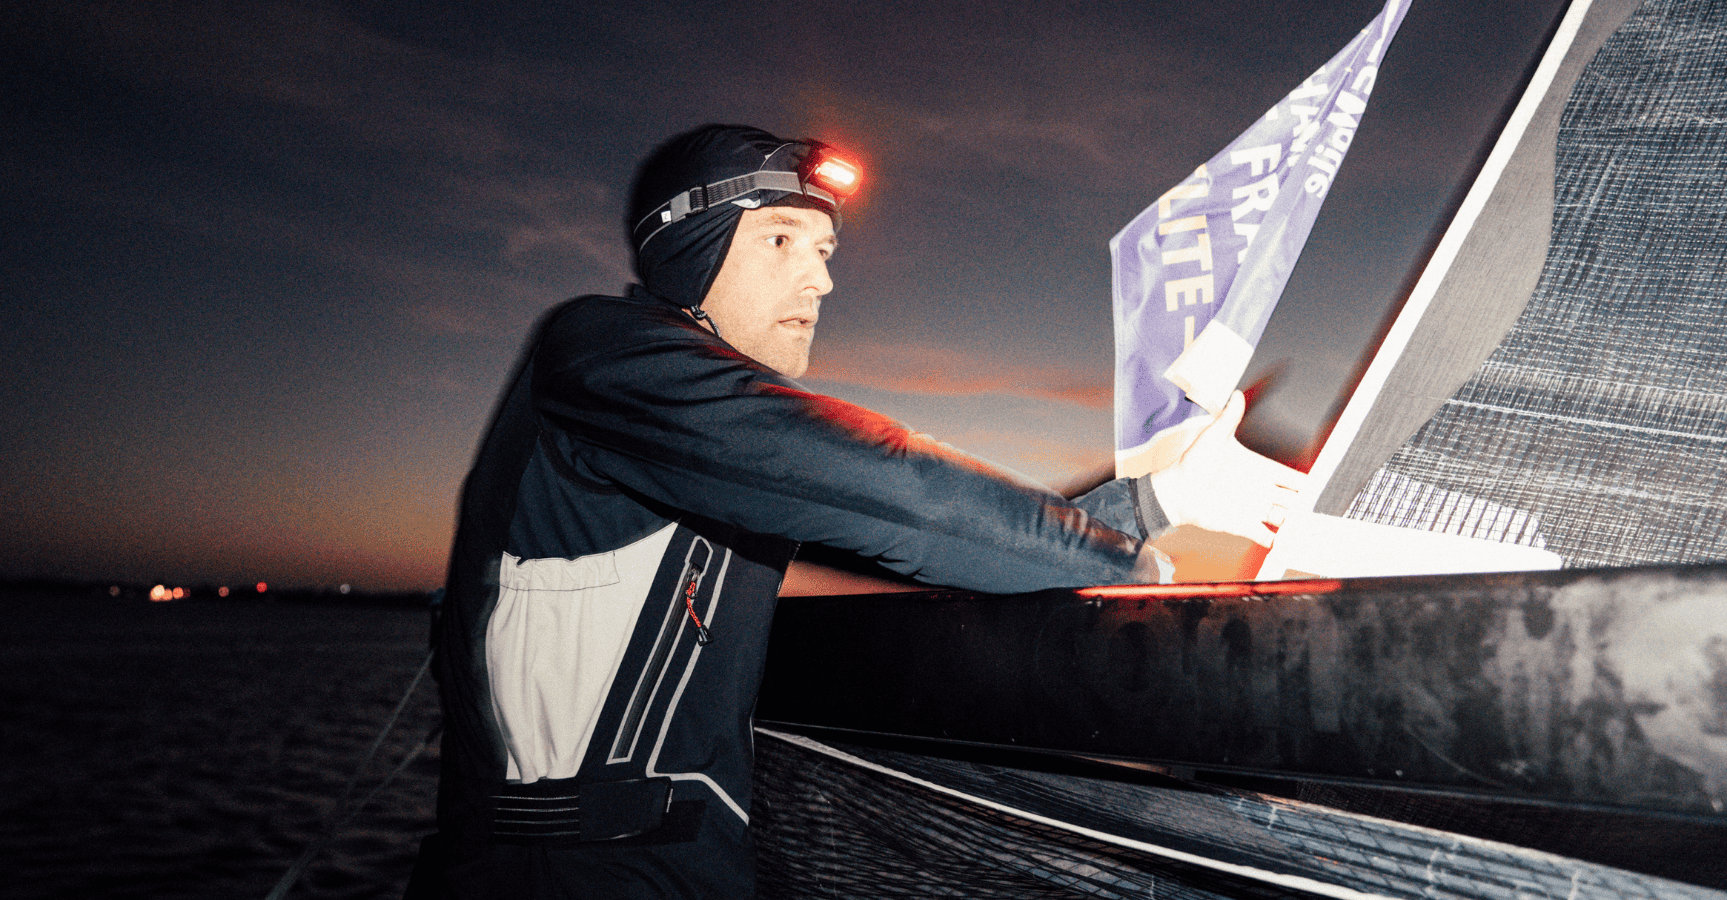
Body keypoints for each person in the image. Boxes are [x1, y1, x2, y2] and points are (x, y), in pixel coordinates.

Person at [406, 124, 1303, 899]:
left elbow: (936, 546)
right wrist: (1140, 570)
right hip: (556, 875)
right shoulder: (599, 355)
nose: (821, 280)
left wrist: (1152, 501)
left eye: (826, 251)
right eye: (782, 240)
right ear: (688, 248)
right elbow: (898, 493)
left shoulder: (703, 460)